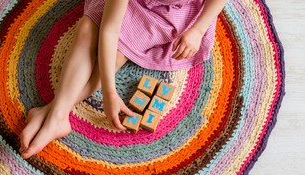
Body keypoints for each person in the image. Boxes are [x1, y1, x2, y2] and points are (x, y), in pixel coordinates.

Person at [19, 0, 228, 159]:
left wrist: (198, 29)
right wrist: (110, 92)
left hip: (172, 12)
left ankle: (53, 112)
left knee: (117, 55)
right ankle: (56, 116)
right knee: (86, 29)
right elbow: (110, 29)